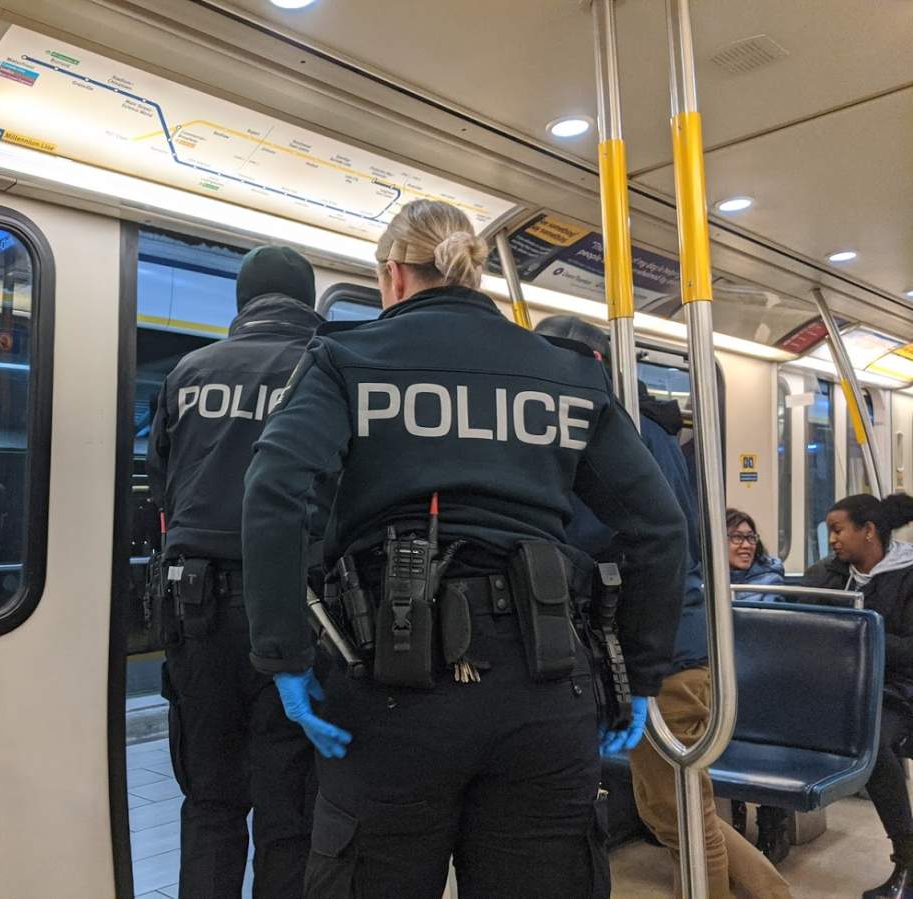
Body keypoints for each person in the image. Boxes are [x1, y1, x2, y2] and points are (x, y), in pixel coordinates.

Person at [241, 198, 689, 898]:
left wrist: (286, 659)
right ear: (472, 272)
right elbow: (660, 527)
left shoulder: (345, 359)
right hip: (546, 681)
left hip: (391, 682)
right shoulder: (568, 374)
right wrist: (641, 670)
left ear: (393, 274)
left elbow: (275, 491)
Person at [535, 317, 793, 899]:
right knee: (678, 808)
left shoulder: (611, 432)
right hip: (678, 637)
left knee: (678, 814)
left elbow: (599, 538)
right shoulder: (649, 428)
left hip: (662, 649)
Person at [146, 244, 324, 899]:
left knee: (212, 803)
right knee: (289, 814)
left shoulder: (188, 373)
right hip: (296, 610)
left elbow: (163, 487)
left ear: (242, 302)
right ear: (309, 300)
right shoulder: (325, 368)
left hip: (194, 611)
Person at [802, 493, 913, 899]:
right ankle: (774, 829)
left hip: (898, 690)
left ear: (868, 531)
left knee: (873, 741)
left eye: (838, 530)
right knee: (785, 718)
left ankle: (908, 858)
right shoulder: (828, 575)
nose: (832, 539)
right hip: (842, 688)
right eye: (829, 531)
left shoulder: (908, 576)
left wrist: (863, 636)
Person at [727, 508, 786, 603]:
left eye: (751, 537)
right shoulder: (704, 580)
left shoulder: (770, 582)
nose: (747, 545)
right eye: (737, 537)